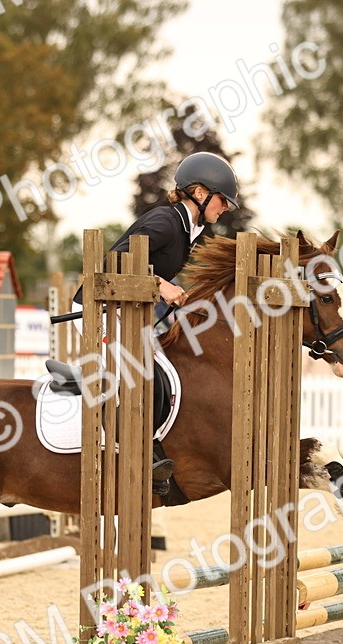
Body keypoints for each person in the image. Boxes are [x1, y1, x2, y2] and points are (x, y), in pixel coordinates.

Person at [70, 152, 241, 496]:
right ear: (199, 191)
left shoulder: (187, 230)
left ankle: (151, 445)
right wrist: (160, 285)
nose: (225, 208)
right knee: (142, 369)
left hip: (127, 311)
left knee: (165, 371)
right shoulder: (165, 222)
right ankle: (138, 450)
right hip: (98, 311)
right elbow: (112, 263)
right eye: (223, 200)